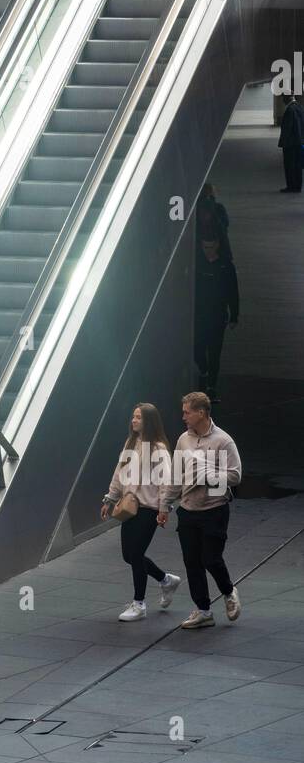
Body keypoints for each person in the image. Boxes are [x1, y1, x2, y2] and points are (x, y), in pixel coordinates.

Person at [159, 391, 242, 629]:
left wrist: (209, 476)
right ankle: (203, 610)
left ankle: (228, 591)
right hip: (187, 510)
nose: (183, 416)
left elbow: (236, 475)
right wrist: (165, 505)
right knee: (191, 562)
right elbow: (175, 475)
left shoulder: (223, 440)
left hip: (214, 509)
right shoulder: (183, 440)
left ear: (201, 413)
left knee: (211, 559)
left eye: (187, 412)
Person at [101, 403, 180, 621]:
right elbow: (119, 473)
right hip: (129, 506)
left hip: (149, 508)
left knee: (135, 554)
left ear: (149, 421)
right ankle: (166, 580)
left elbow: (167, 482)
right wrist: (110, 498)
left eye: (138, 418)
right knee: (129, 555)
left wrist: (164, 508)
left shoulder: (158, 449)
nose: (134, 421)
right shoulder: (131, 442)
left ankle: (139, 604)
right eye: (133, 416)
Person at [194, 226, 239, 402]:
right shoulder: (198, 264)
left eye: (211, 247)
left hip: (217, 316)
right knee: (198, 348)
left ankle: (210, 386)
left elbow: (233, 291)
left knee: (214, 352)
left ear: (217, 245)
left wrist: (234, 315)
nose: (208, 251)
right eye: (205, 247)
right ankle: (204, 372)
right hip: (200, 314)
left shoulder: (226, 266)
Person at [278, 94, 304, 193]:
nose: (283, 101)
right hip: (299, 141)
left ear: (287, 98)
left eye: (283, 99)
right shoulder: (300, 107)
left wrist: (283, 142)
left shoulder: (290, 110)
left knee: (289, 165)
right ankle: (297, 186)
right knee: (297, 165)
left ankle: (291, 186)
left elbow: (287, 129)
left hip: (290, 143)